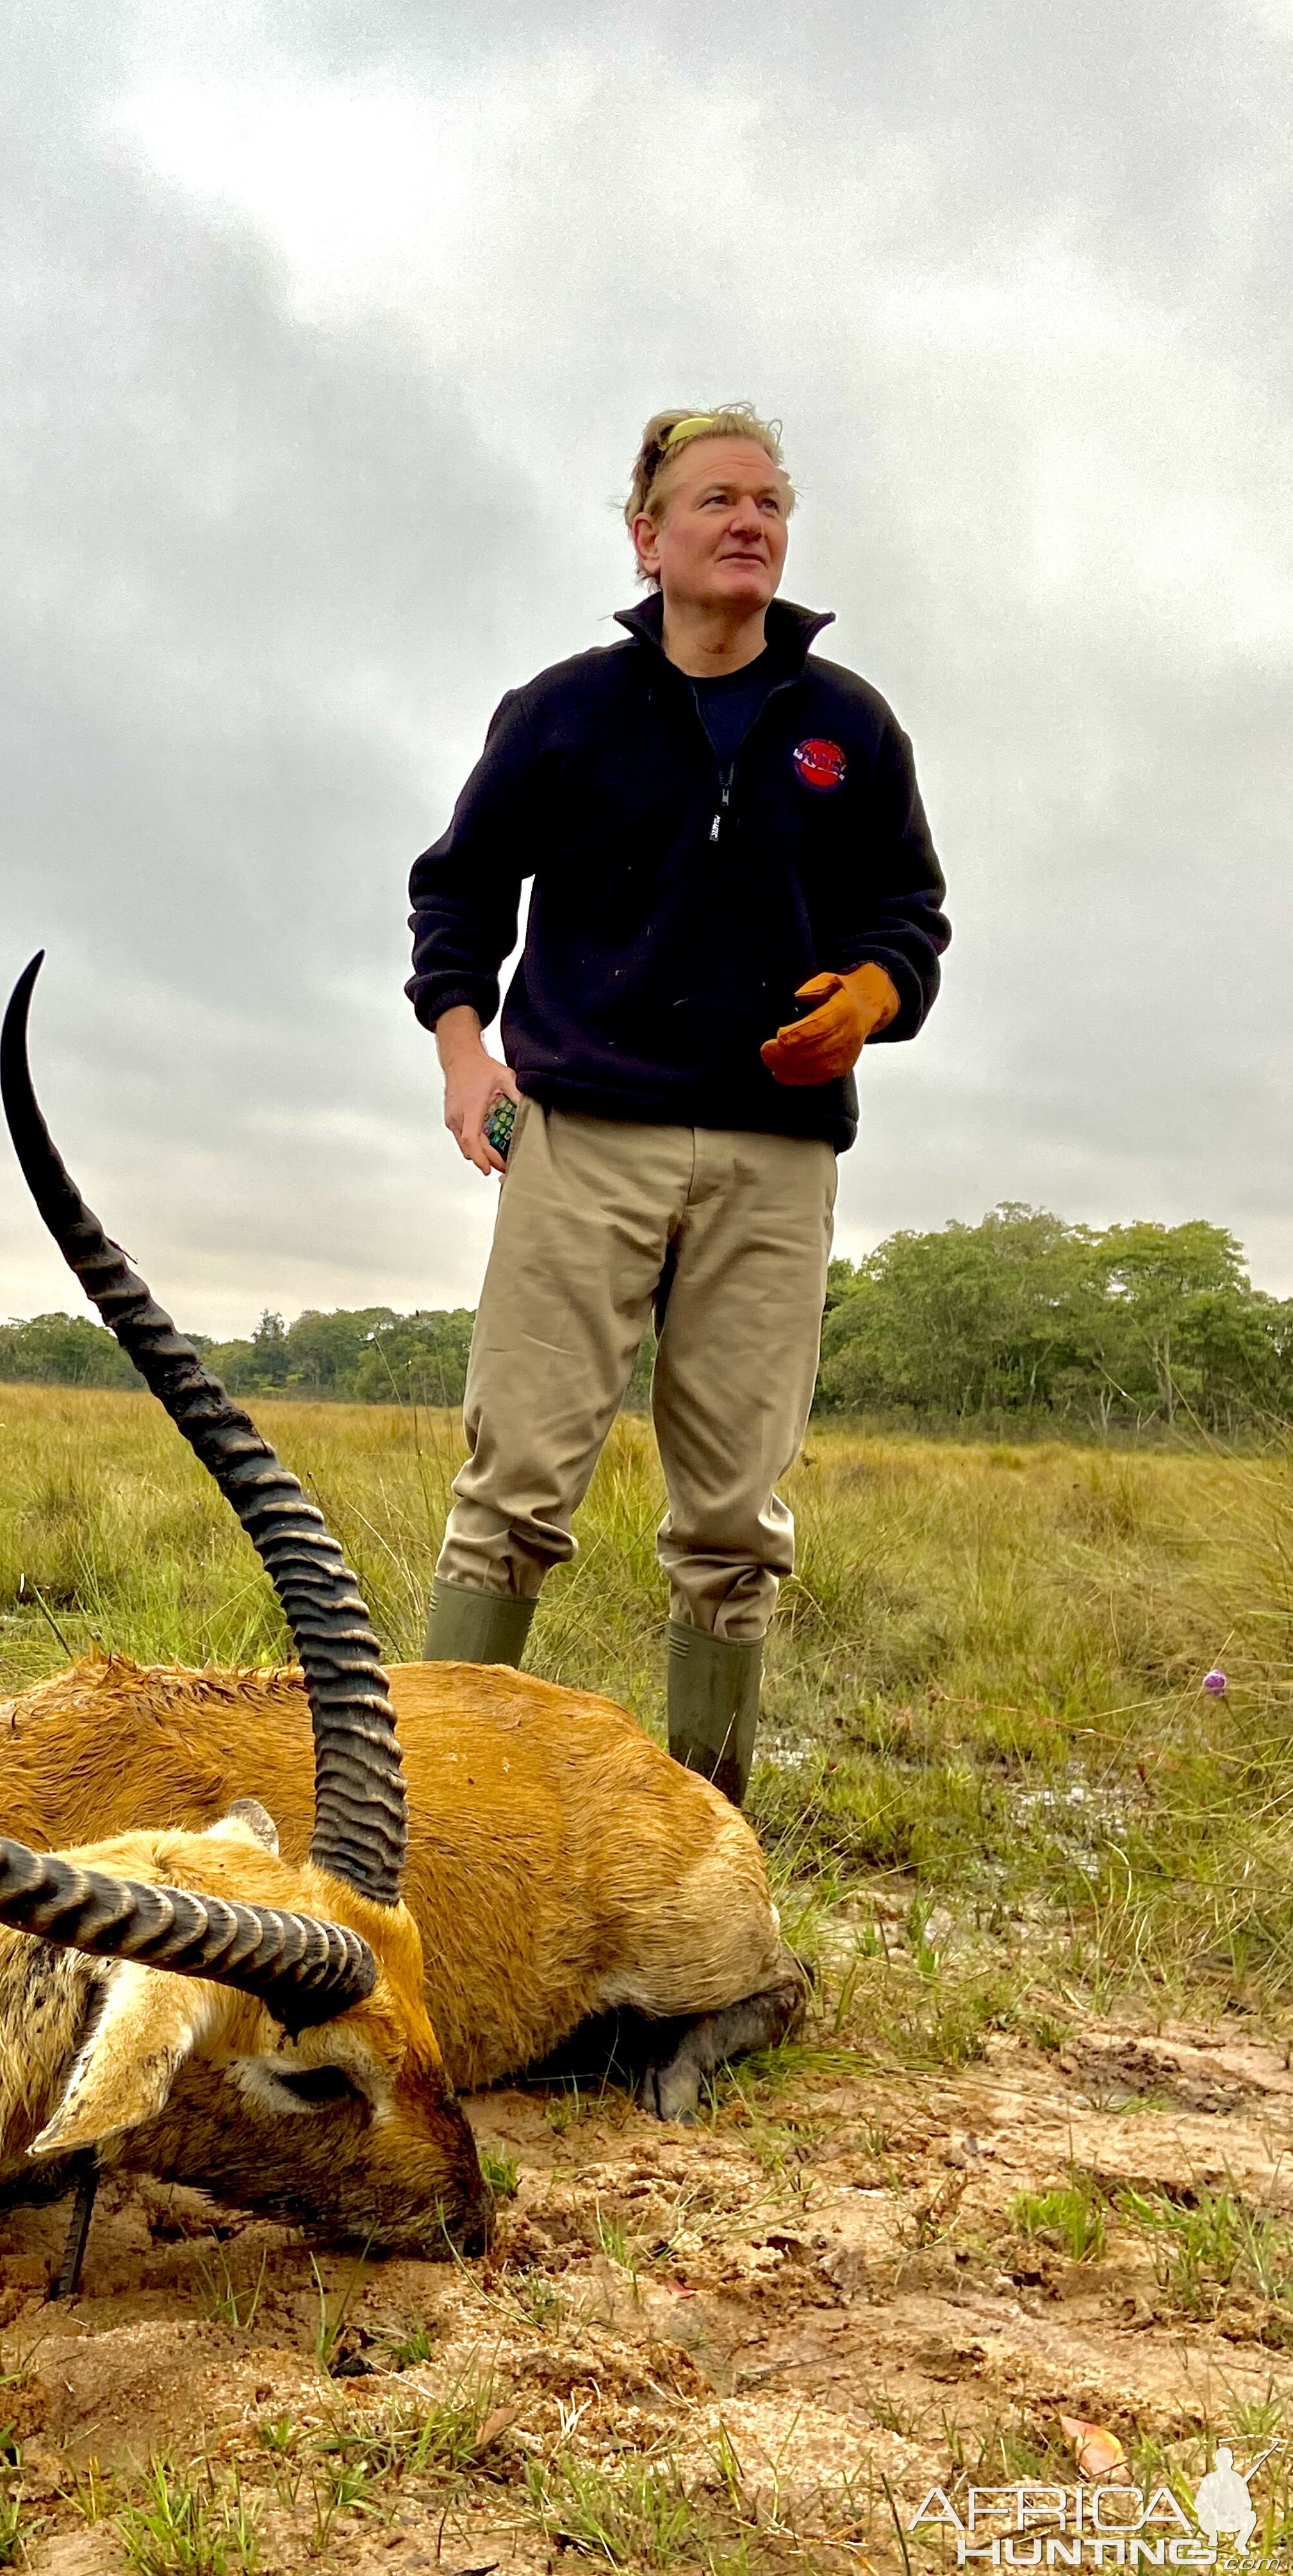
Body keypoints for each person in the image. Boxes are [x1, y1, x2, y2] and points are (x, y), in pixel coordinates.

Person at [405, 404, 950, 1805]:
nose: (750, 521)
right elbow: (457, 894)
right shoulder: (564, 714)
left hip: (775, 1158)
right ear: (648, 537)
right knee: (514, 1486)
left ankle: (707, 1842)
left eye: (770, 500)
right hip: (586, 1129)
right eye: (716, 499)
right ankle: (444, 1821)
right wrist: (468, 1056)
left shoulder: (846, 726)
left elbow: (910, 915)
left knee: (732, 1520)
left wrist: (874, 999)